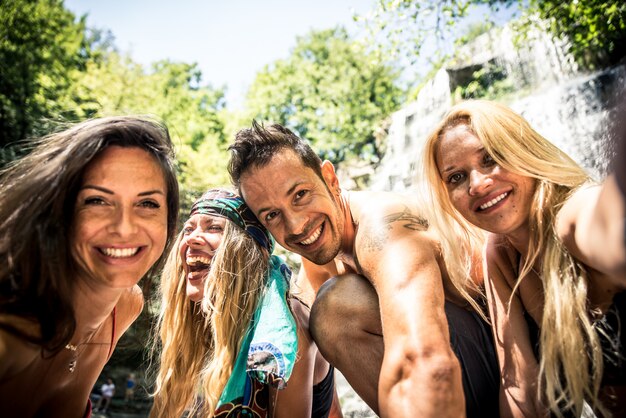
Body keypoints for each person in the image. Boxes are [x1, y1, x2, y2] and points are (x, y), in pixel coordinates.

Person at [228, 122, 500, 417]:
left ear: (330, 178)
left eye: (300, 195)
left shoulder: (383, 228)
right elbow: (312, 363)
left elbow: (424, 357)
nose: (295, 225)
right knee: (307, 314)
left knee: (336, 306)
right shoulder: (320, 255)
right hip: (472, 369)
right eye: (272, 215)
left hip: (511, 359)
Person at [423, 99, 626, 417]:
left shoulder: (574, 216)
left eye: (490, 158)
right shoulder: (502, 254)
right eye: (457, 178)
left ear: (523, 150)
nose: (477, 184)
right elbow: (518, 385)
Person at [0, 116, 179, 418]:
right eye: (97, 200)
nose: (124, 228)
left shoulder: (127, 304)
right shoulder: (14, 330)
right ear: (59, 212)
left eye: (147, 203)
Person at [150, 189, 342, 418]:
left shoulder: (285, 328)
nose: (190, 238)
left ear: (246, 251)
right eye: (189, 228)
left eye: (214, 227)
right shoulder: (203, 321)